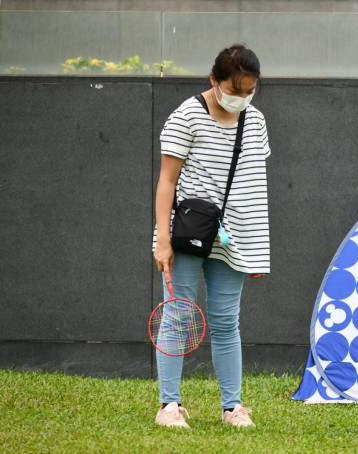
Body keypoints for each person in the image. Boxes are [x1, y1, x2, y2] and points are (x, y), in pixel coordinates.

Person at [152, 44, 271, 429]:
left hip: (232, 238)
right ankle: (169, 406)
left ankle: (232, 407)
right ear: (213, 81)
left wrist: (255, 253)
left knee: (225, 322)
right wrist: (162, 239)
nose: (241, 98)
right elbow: (167, 182)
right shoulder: (186, 116)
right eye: (234, 90)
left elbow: (254, 188)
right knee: (177, 317)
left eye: (249, 91)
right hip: (186, 231)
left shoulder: (255, 121)